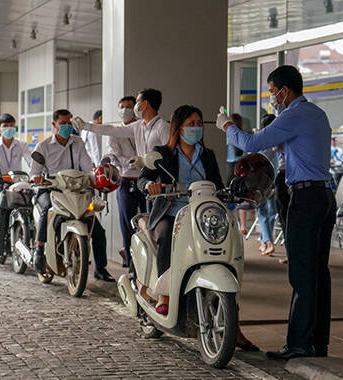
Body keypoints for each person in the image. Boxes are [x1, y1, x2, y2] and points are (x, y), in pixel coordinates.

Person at [218, 65, 335, 360]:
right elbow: (274, 151)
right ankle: (318, 343)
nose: (272, 97)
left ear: (285, 90)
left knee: (302, 273)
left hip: (305, 198)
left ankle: (298, 344)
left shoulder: (292, 115)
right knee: (319, 272)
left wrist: (227, 126)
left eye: (272, 92)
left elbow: (251, 143)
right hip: (324, 197)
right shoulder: (316, 115)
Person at [138, 105, 224, 314]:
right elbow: (142, 179)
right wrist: (151, 186)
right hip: (171, 212)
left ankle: (229, 309)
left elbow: (219, 186)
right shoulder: (162, 154)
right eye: (191, 124)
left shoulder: (208, 155)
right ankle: (164, 294)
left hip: (202, 215)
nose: (196, 128)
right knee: (168, 235)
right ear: (178, 128)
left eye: (199, 123)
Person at [30, 109, 114, 282]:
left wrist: (95, 176)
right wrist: (37, 178)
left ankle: (101, 268)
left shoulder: (78, 143)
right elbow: (34, 172)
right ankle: (39, 251)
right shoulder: (44, 146)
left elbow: (87, 166)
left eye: (69, 123)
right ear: (54, 125)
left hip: (75, 192)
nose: (67, 126)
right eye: (63, 123)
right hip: (50, 190)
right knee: (47, 209)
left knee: (96, 227)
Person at [102, 96, 144, 266]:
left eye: (129, 106)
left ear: (135, 108)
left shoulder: (142, 128)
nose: (125, 110)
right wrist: (132, 160)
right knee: (127, 224)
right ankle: (130, 262)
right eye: (122, 107)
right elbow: (114, 154)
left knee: (147, 223)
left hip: (144, 181)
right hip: (126, 181)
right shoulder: (115, 132)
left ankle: (144, 260)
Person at [0, 113, 31, 255]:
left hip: (18, 181)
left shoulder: (21, 145)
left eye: (11, 126)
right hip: (0, 180)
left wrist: (35, 174)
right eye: (5, 126)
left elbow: (30, 162)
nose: (9, 129)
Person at [256, 114, 278, 256]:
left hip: (261, 182)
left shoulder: (261, 141)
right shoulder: (279, 140)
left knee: (262, 212)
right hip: (276, 181)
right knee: (271, 212)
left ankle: (268, 242)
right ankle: (265, 241)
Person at [225, 113, 244, 184]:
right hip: (241, 163)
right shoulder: (242, 133)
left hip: (231, 163)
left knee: (228, 185)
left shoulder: (229, 134)